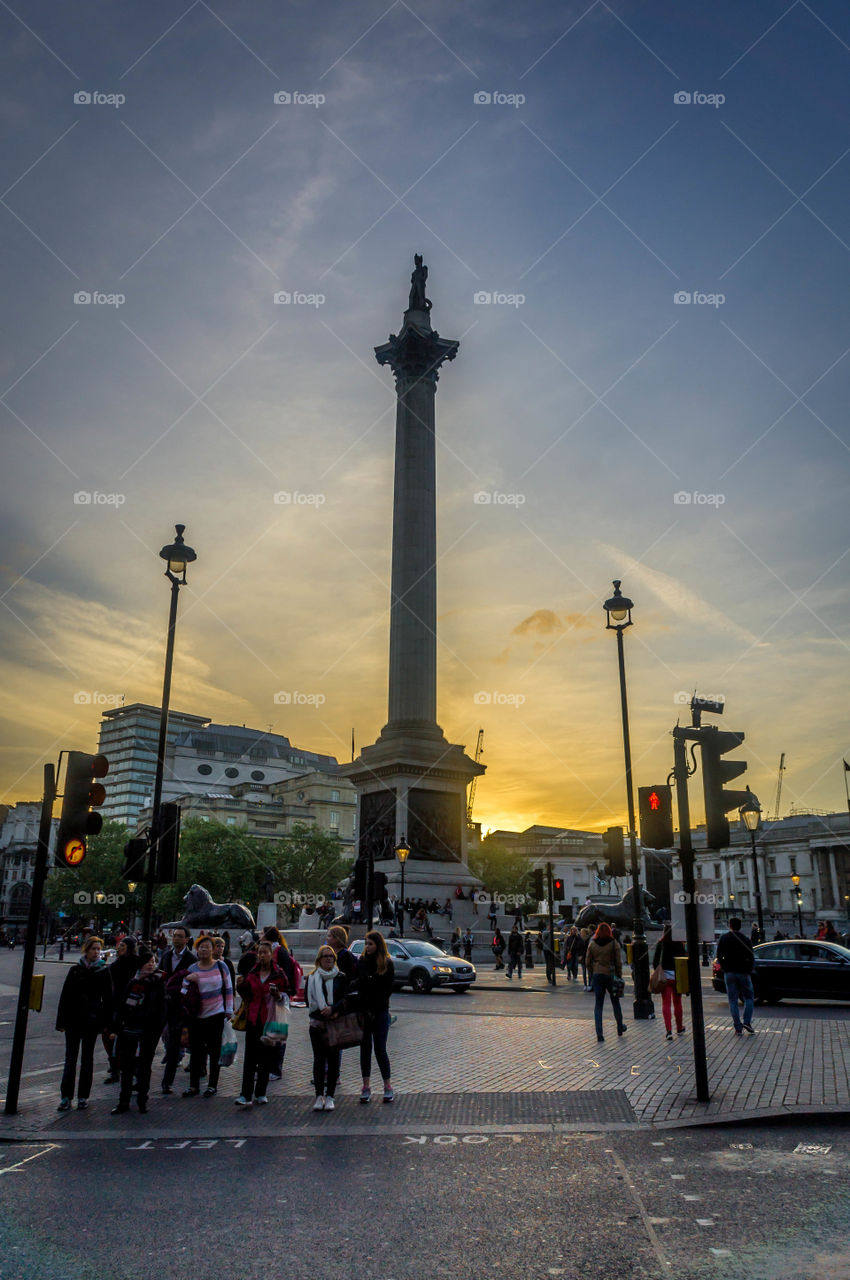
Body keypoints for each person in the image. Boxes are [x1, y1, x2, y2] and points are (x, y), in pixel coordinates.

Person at [56, 935, 112, 1112]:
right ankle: (66, 1097)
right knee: (70, 1059)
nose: (96, 952)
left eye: (98, 949)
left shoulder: (103, 971)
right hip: (73, 1019)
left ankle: (83, 1096)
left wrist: (106, 1023)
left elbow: (108, 999)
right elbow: (65, 996)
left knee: (87, 1059)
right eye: (93, 949)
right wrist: (61, 1021)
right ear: (86, 950)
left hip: (91, 1020)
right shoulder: (75, 971)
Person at [110, 948, 165, 1115]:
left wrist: (157, 1028)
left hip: (148, 1030)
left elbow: (162, 1008)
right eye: (148, 962)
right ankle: (123, 1101)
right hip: (130, 1029)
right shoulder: (133, 983)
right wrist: (116, 1027)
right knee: (127, 1066)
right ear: (141, 965)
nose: (150, 965)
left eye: (153, 962)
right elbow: (123, 1006)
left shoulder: (157, 982)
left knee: (144, 1067)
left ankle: (142, 1100)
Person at [234, 940, 288, 1106]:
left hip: (271, 1019)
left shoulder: (278, 974)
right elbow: (247, 996)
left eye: (265, 952)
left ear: (271, 954)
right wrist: (240, 987)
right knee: (250, 1058)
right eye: (260, 953)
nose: (262, 955)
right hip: (253, 1018)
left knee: (266, 1058)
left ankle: (261, 1093)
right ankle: (245, 1094)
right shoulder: (252, 973)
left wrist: (278, 995)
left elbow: (287, 993)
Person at [181, 935, 234, 1097]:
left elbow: (229, 988)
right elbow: (183, 992)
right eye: (201, 947)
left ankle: (212, 1085)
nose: (204, 950)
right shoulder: (192, 968)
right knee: (196, 1052)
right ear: (197, 949)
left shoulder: (221, 966)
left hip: (216, 1014)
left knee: (214, 1051)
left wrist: (229, 1010)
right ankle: (193, 1085)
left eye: (207, 947)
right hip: (196, 1016)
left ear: (213, 950)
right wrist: (187, 979)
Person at [306, 944, 350, 1112]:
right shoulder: (312, 978)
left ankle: (330, 1096)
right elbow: (308, 1002)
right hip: (317, 1024)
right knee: (318, 1060)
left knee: (333, 1061)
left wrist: (334, 1010)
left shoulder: (341, 977)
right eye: (325, 956)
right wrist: (322, 1012)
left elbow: (346, 999)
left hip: (335, 1023)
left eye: (331, 956)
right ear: (319, 959)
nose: (328, 959)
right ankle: (319, 1095)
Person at [356, 931, 395, 1103]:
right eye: (366, 943)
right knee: (365, 1050)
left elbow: (387, 991)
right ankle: (366, 1086)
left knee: (380, 1049)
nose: (367, 947)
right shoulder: (361, 962)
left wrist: (375, 1006)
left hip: (379, 1012)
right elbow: (359, 985)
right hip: (364, 1012)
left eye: (370, 944)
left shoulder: (387, 964)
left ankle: (387, 1085)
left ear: (378, 945)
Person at [159, 927, 195, 1095]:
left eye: (180, 937)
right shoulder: (166, 955)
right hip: (162, 1004)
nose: (176, 939)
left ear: (187, 940)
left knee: (174, 1044)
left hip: (178, 1006)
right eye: (175, 936)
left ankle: (167, 1082)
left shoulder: (191, 959)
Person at [103, 935, 140, 1084]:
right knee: (111, 1036)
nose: (119, 948)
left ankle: (127, 1068)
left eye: (123, 946)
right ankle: (115, 1067)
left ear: (130, 948)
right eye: (119, 945)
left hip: (131, 1004)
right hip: (116, 1002)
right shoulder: (115, 964)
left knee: (127, 1038)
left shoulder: (136, 963)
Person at [585, 922, 626, 1043]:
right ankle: (620, 1027)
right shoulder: (614, 944)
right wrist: (619, 975)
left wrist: (593, 971)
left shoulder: (592, 944)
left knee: (598, 1004)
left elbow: (588, 961)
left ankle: (599, 1033)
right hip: (611, 974)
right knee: (615, 1002)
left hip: (597, 975)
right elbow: (618, 962)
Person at [716, 916, 755, 1036]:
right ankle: (747, 1022)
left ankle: (738, 1027)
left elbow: (719, 955)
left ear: (730, 925)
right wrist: (748, 969)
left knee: (732, 1000)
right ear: (740, 926)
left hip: (729, 972)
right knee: (749, 997)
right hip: (743, 972)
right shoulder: (745, 939)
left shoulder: (724, 938)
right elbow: (751, 956)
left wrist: (724, 967)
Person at [652, 924, 686, 1041]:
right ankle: (680, 1027)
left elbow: (655, 963)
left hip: (664, 978)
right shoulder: (679, 944)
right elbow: (684, 961)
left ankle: (669, 1030)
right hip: (677, 977)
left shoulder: (661, 944)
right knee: (678, 1003)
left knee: (666, 1003)